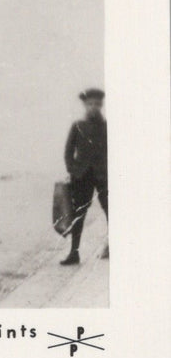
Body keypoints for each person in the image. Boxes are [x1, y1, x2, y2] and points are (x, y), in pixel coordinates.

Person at [60, 87, 108, 265]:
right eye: (90, 104)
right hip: (82, 177)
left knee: (111, 211)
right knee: (78, 214)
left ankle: (113, 246)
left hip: (103, 176)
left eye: (97, 104)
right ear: (85, 106)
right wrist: (73, 170)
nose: (93, 107)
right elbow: (68, 152)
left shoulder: (107, 127)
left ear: (101, 105)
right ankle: (74, 253)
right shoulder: (78, 126)